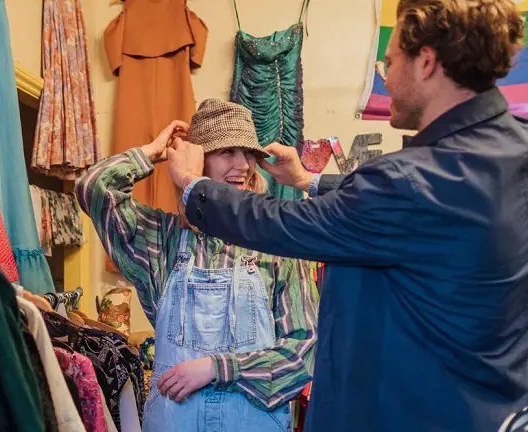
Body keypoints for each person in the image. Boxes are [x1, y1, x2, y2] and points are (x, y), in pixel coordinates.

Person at [165, 0, 528, 431]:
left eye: (390, 61)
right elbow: (413, 211)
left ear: (426, 62)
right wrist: (308, 181)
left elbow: (283, 224)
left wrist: (191, 184)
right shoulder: (513, 150)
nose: (382, 72)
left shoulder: (407, 183)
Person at [75, 99, 319, 432]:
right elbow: (93, 188)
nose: (243, 165)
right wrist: (152, 152)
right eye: (226, 153)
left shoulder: (277, 245)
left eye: (248, 154)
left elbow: (304, 352)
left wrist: (220, 369)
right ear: (197, 160)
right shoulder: (161, 242)